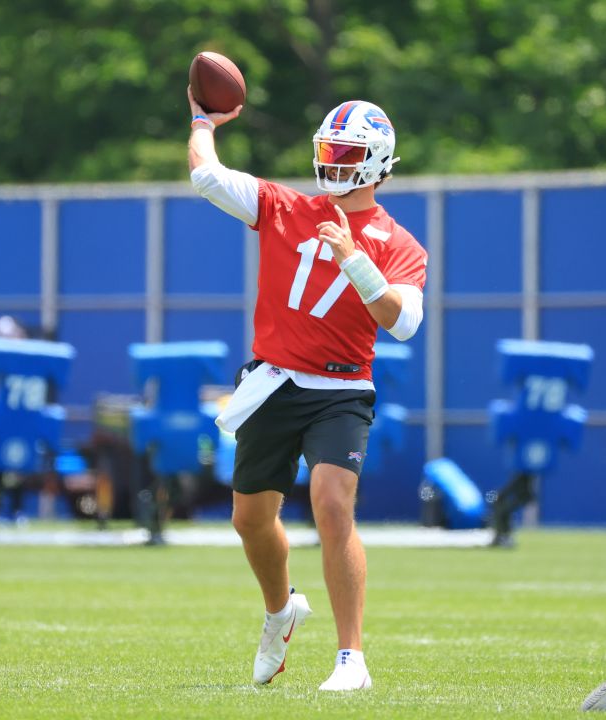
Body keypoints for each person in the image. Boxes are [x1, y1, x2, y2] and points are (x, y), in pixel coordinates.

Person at [188, 89, 428, 691]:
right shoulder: (284, 206)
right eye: (329, 149)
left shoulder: (399, 244)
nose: (334, 161)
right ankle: (280, 610)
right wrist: (201, 120)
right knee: (249, 519)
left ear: (376, 161)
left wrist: (355, 260)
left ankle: (352, 660)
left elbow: (402, 322)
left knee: (331, 501)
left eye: (347, 151)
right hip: (273, 383)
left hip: (341, 388)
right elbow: (206, 177)